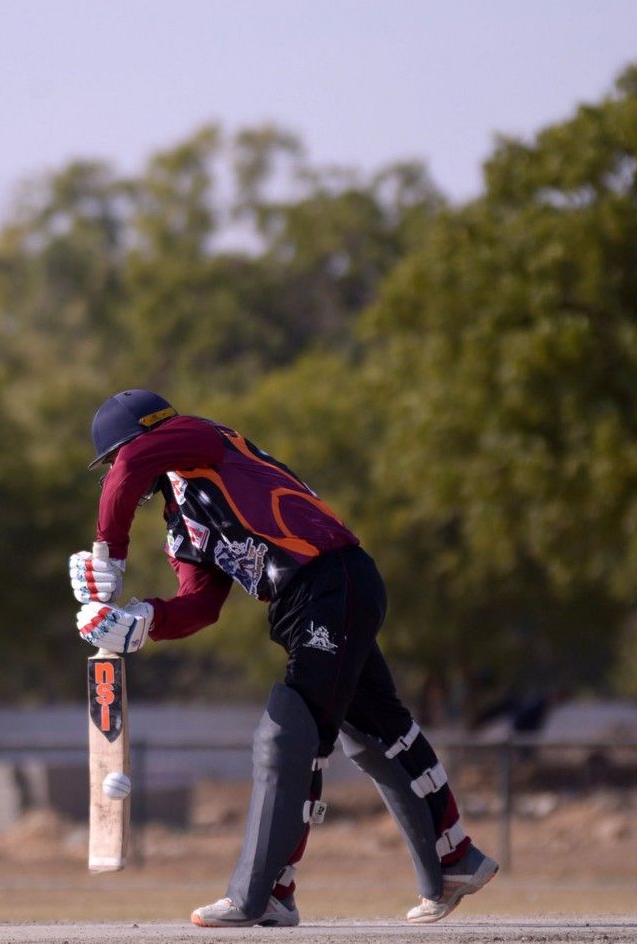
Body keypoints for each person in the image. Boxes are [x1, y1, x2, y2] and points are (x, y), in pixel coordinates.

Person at [68, 390, 498, 928]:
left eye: (113, 458)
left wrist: (110, 553)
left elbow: (131, 464)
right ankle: (454, 858)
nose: (113, 471)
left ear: (143, 437)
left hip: (329, 581)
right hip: (313, 600)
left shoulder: (200, 438)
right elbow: (200, 604)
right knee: (377, 730)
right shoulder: (182, 520)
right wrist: (142, 620)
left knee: (290, 734)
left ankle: (268, 891)